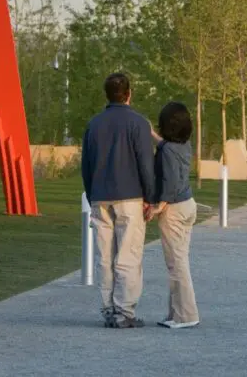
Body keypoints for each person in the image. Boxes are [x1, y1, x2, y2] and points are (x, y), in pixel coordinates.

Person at [81, 73, 156, 329]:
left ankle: (108, 309)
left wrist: (92, 195)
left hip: (100, 196)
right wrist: (151, 197)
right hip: (130, 196)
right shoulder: (138, 123)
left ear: (107, 94)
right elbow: (146, 164)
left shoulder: (94, 124)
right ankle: (125, 310)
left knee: (104, 255)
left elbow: (86, 165)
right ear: (129, 93)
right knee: (128, 254)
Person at [146, 102, 200, 329]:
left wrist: (158, 207)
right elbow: (166, 147)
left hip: (174, 210)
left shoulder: (167, 151)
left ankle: (187, 315)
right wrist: (151, 135)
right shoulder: (183, 145)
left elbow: (169, 181)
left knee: (176, 264)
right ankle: (176, 312)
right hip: (188, 205)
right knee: (180, 260)